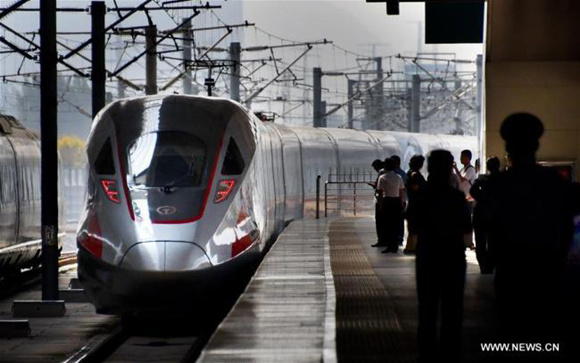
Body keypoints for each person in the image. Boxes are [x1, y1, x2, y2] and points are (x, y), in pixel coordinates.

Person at [485, 113, 573, 350]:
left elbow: (489, 227)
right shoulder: (554, 181)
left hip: (511, 269)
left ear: (508, 149)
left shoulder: (498, 184)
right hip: (546, 268)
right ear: (536, 145)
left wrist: (496, 258)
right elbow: (566, 226)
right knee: (545, 330)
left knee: (510, 331)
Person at [410, 150, 471, 362]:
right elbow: (466, 226)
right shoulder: (457, 197)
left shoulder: (421, 196)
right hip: (453, 257)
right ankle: (451, 352)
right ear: (448, 169)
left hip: (427, 256)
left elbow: (414, 225)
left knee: (426, 308)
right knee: (453, 309)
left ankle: (426, 352)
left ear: (429, 167)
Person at [469, 156, 500, 274]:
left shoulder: (482, 179)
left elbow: (472, 191)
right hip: (496, 216)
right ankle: (492, 265)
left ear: (487, 167)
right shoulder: (503, 180)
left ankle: (483, 265)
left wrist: (482, 199)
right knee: (494, 241)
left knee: (480, 241)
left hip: (481, 214)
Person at [377, 158, 405, 253]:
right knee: (396, 224)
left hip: (387, 201)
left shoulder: (382, 177)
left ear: (385, 166)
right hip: (396, 201)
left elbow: (380, 193)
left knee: (388, 225)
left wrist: (380, 204)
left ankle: (389, 245)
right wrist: (401, 203)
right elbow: (401, 191)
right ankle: (395, 245)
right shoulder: (398, 177)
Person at [404, 154, 426, 254]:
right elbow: (416, 188)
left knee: (413, 227)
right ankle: (413, 247)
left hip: (413, 204)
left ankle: (411, 246)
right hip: (417, 206)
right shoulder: (415, 175)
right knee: (415, 227)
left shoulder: (410, 173)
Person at [391, 155, 408, 246]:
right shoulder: (402, 174)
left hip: (399, 200)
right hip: (400, 199)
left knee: (398, 220)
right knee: (398, 221)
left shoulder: (400, 174)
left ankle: (399, 238)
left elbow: (403, 188)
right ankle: (398, 238)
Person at [369, 159, 386, 247]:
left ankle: (381, 240)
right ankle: (386, 240)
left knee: (380, 222)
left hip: (381, 200)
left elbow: (379, 187)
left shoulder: (381, 173)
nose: (375, 170)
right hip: (388, 200)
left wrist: (373, 185)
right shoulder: (393, 174)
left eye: (375, 167)